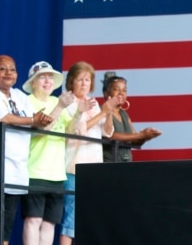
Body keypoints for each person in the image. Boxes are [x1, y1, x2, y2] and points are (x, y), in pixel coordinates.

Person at [0, 55, 53, 245]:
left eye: (12, 69)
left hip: (15, 174)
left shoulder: (21, 97)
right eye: (2, 69)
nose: (8, 73)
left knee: (2, 232)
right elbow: (4, 118)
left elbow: (31, 122)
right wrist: (33, 120)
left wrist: (40, 122)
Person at [59, 61, 120, 245]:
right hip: (75, 167)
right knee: (71, 218)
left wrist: (108, 113)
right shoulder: (68, 102)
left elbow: (107, 133)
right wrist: (102, 113)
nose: (84, 83)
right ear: (71, 82)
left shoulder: (94, 104)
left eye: (87, 80)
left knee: (88, 217)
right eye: (80, 79)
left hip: (94, 167)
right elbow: (79, 130)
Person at [21, 61, 74, 245]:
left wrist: (80, 113)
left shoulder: (55, 101)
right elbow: (41, 129)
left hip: (57, 173)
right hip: (35, 169)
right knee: (33, 219)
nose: (47, 81)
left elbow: (72, 133)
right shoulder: (27, 101)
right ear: (33, 82)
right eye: (42, 77)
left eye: (50, 77)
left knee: (50, 222)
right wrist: (60, 107)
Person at [101, 72, 162, 163]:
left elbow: (135, 140)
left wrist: (146, 136)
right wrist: (141, 135)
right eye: (116, 89)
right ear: (106, 93)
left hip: (127, 164)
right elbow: (110, 136)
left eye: (124, 90)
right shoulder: (101, 111)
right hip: (109, 165)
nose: (121, 93)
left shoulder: (124, 114)